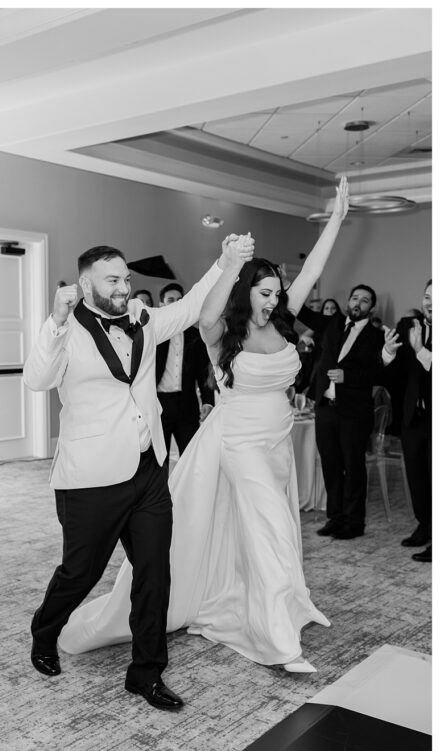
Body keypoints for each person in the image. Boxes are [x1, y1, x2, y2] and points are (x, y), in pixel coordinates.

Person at [60, 178, 350, 676]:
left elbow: (317, 268)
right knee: (273, 532)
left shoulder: (283, 322)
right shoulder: (220, 331)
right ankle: (280, 643)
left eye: (277, 292)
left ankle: (284, 606)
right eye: (264, 293)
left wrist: (337, 219)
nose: (273, 300)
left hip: (277, 440)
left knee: (265, 531)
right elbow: (205, 307)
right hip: (238, 442)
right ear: (245, 292)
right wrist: (229, 263)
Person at [22, 232, 244, 711]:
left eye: (126, 277)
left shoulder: (143, 317)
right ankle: (45, 632)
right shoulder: (67, 329)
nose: (124, 287)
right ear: (85, 284)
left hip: (148, 469)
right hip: (90, 478)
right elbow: (36, 379)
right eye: (113, 279)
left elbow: (188, 307)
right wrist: (55, 322)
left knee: (154, 573)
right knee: (80, 572)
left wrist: (225, 262)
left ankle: (145, 673)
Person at [299, 280, 384, 540]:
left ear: (370, 308)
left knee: (353, 467)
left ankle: (354, 522)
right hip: (326, 410)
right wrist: (291, 286)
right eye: (355, 298)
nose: (358, 303)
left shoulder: (375, 336)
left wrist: (349, 376)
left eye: (364, 300)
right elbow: (304, 314)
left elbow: (377, 373)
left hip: (354, 413)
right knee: (331, 465)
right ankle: (335, 518)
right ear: (348, 301)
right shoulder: (333, 323)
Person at [382, 280, 431, 562]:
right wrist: (388, 353)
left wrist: (421, 350)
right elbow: (394, 378)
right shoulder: (411, 328)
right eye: (426, 297)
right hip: (413, 419)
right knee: (417, 479)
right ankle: (424, 526)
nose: (429, 302)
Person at [155, 282, 216, 454]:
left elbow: (203, 372)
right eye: (170, 300)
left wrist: (208, 401)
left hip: (187, 405)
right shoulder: (153, 334)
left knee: (190, 457)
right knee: (158, 461)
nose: (175, 303)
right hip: (158, 404)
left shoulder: (195, 336)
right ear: (161, 305)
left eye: (179, 300)